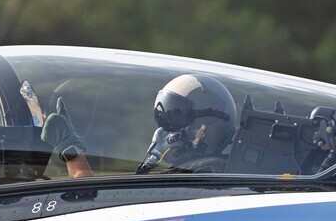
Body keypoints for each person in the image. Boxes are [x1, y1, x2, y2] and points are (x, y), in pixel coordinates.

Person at [41, 74, 237, 177]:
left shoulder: (203, 178)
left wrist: (72, 154)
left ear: (202, 132)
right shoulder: (182, 174)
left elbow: (94, 205)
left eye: (174, 119)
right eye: (163, 118)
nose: (162, 131)